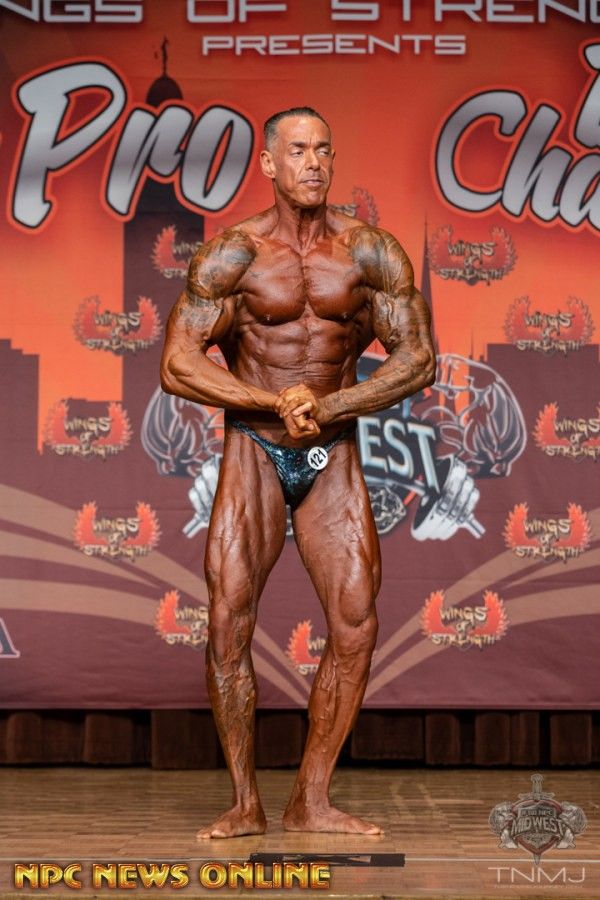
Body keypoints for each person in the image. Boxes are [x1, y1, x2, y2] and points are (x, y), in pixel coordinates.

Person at [160, 106, 435, 839]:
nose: (314, 163)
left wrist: (332, 403)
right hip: (255, 445)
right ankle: (244, 801)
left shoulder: (368, 252)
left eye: (324, 150)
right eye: (299, 150)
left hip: (332, 449)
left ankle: (311, 798)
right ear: (269, 164)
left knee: (356, 624)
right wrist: (270, 401)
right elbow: (177, 363)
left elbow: (418, 358)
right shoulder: (233, 255)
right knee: (228, 621)